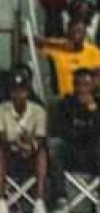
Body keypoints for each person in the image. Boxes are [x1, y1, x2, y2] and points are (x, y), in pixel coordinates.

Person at [47, 68, 100, 211]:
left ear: (93, 85)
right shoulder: (64, 103)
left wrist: (92, 109)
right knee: (55, 145)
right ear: (73, 86)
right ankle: (60, 198)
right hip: (72, 151)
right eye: (78, 84)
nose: (82, 89)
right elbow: (60, 130)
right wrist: (87, 132)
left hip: (94, 152)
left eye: (86, 84)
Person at [0, 71, 48, 213]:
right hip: (9, 154)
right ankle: (1, 199)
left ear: (27, 91)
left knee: (42, 152)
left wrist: (29, 146)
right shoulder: (2, 109)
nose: (18, 95)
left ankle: (39, 200)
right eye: (15, 91)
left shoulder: (39, 111)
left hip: (31, 154)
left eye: (22, 90)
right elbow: (1, 136)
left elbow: (40, 138)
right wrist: (16, 145)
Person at [36, 16, 100, 96]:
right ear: (67, 32)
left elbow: (98, 80)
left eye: (79, 31)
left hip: (86, 98)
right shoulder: (58, 46)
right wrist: (54, 44)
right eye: (72, 31)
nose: (75, 35)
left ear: (85, 33)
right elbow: (34, 41)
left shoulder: (95, 53)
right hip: (64, 99)